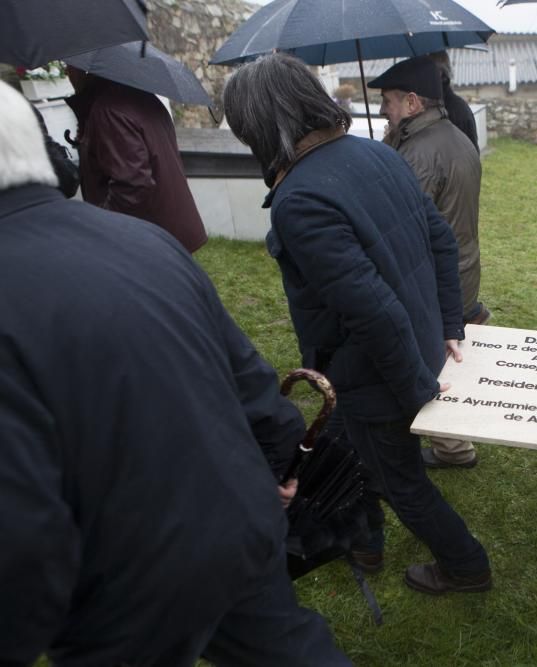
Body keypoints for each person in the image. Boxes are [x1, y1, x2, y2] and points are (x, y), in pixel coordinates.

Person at [0, 81, 349, 666]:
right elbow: (248, 378)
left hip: (124, 580)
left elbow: (21, 536)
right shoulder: (146, 241)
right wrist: (283, 460)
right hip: (240, 515)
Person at [222, 53, 492, 595]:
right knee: (344, 450)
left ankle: (466, 567)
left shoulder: (300, 200)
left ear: (261, 124)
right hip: (389, 358)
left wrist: (419, 382)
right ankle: (363, 542)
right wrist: (447, 327)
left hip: (379, 373)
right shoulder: (377, 153)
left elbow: (373, 308)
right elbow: (439, 243)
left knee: (401, 479)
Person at [370, 55, 487, 470]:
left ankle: (453, 449)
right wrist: (390, 140)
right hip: (461, 270)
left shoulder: (419, 153)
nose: (384, 109)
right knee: (441, 355)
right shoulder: (453, 136)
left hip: (438, 280)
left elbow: (392, 218)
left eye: (388, 101)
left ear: (413, 102)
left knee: (432, 360)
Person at [65, 66, 207, 253]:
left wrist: (100, 225)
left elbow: (133, 185)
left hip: (149, 239)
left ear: (85, 70)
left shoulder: (109, 111)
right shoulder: (139, 96)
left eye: (69, 66)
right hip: (168, 231)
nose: (67, 73)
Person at [427, 50, 479, 153]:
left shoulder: (455, 110)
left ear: (440, 73)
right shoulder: (431, 104)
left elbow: (469, 156)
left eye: (425, 71)